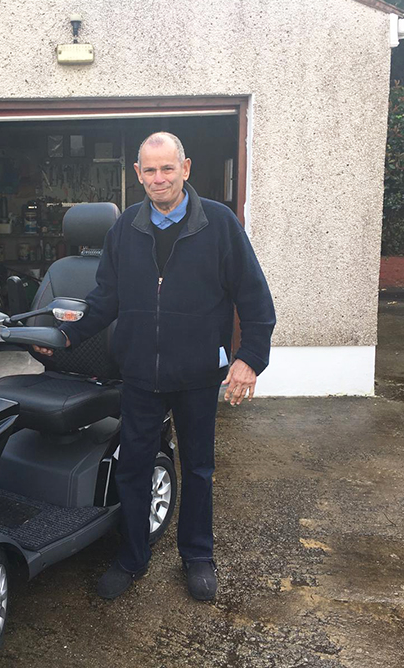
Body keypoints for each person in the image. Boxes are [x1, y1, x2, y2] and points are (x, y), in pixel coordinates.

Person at [34, 132, 275, 601]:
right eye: (150, 170)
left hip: (199, 374)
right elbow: (104, 302)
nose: (159, 178)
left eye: (168, 168)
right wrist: (65, 337)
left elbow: (256, 299)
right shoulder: (125, 229)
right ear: (138, 174)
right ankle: (131, 556)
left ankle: (198, 556)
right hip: (141, 375)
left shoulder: (220, 225)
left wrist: (250, 359)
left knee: (199, 468)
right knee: (133, 468)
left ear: (185, 168)